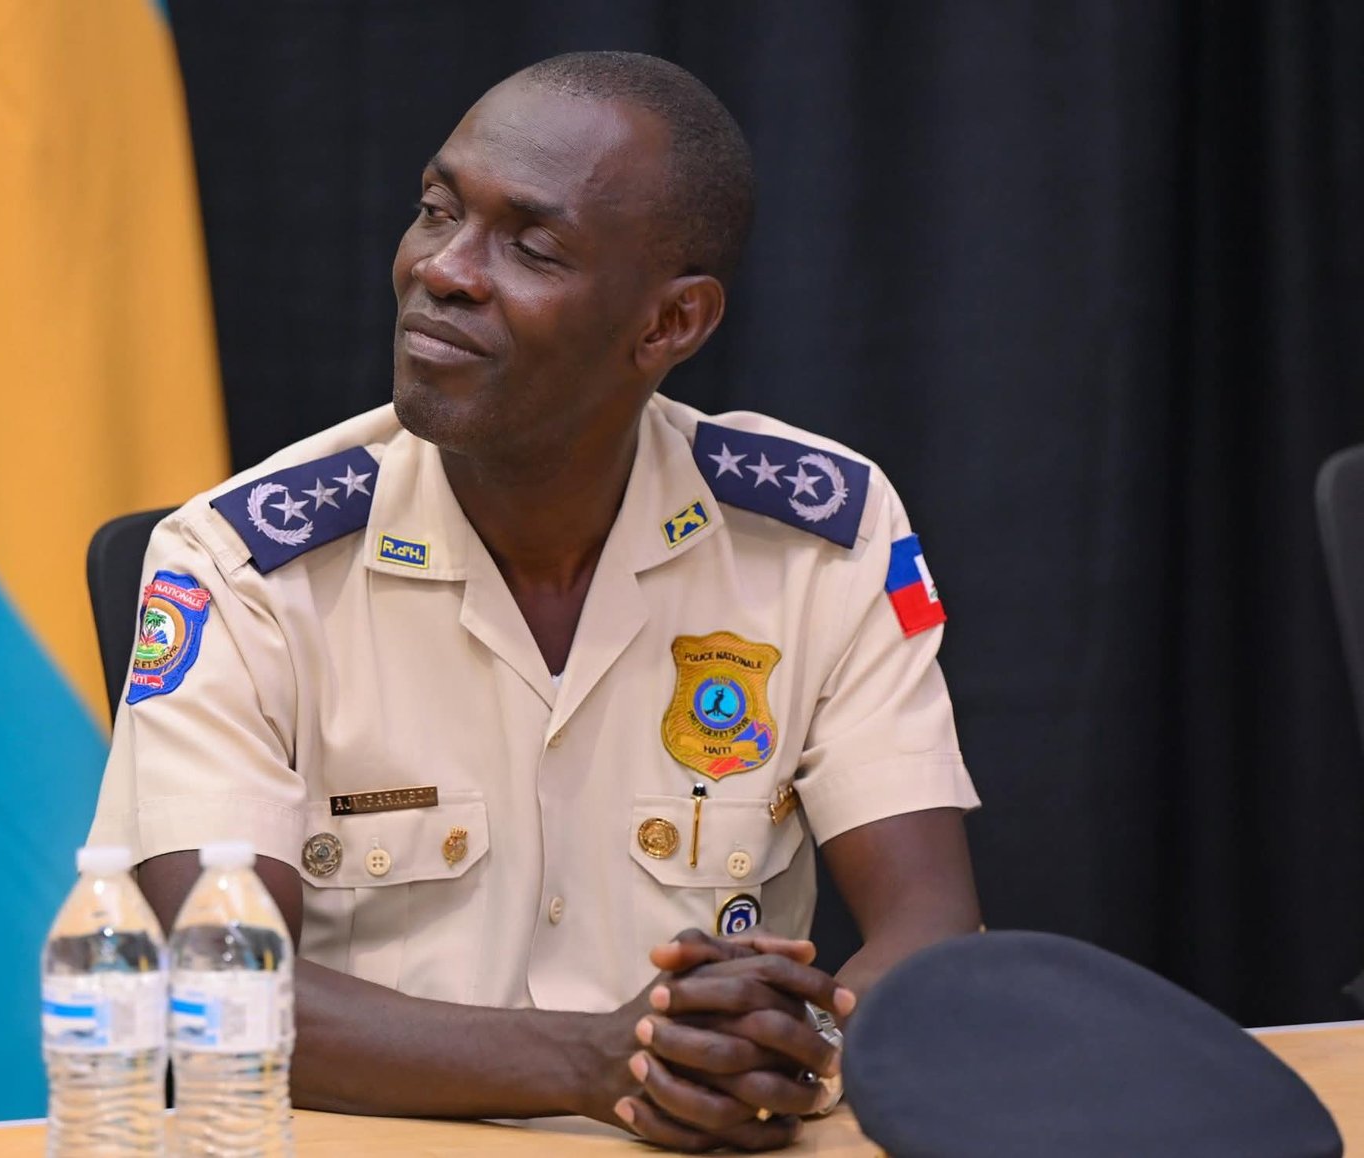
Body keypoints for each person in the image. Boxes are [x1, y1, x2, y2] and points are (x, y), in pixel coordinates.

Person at [87, 50, 982, 1152]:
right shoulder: (240, 564)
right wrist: (596, 1061)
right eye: (435, 211)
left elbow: (931, 929)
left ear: (669, 326)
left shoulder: (815, 542)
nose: (444, 270)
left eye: (531, 246)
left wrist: (782, 1049)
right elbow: (208, 987)